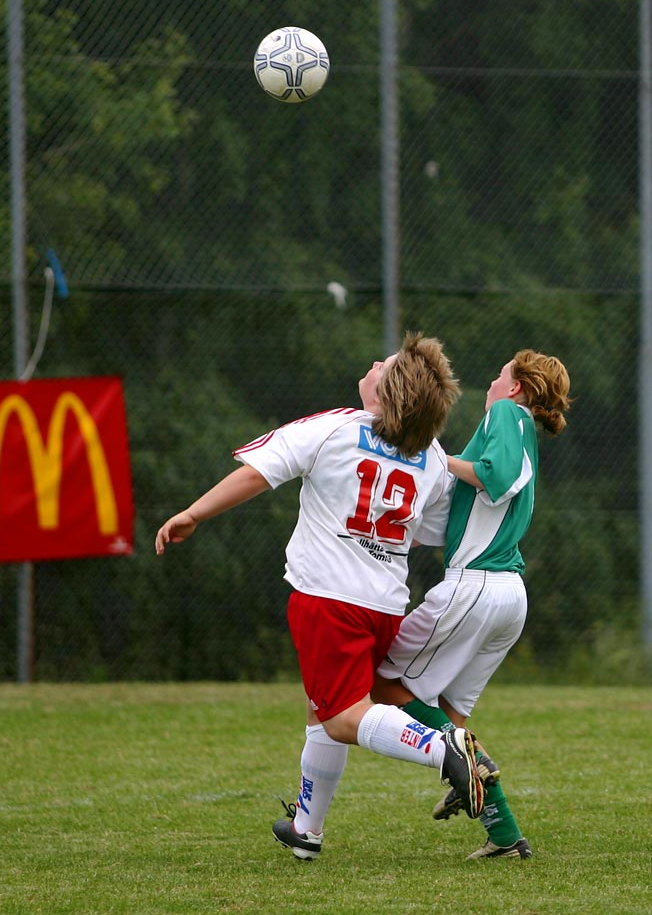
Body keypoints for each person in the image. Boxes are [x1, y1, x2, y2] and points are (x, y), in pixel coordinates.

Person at [154, 332, 487, 860]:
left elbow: (258, 473)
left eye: (386, 366)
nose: (375, 363)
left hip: (327, 600)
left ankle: (439, 749)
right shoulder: (433, 457)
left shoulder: (335, 427)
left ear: (388, 393)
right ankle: (306, 831)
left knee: (341, 717)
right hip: (383, 606)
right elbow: (431, 528)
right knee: (322, 712)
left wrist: (194, 512)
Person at [375, 349, 572, 860]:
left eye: (500, 373)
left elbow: (497, 475)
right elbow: (477, 500)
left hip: (476, 587)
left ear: (518, 389)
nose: (492, 380)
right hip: (509, 595)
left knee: (385, 684)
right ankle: (504, 835)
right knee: (447, 716)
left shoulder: (506, 414)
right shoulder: (522, 429)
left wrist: (437, 458)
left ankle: (464, 766)